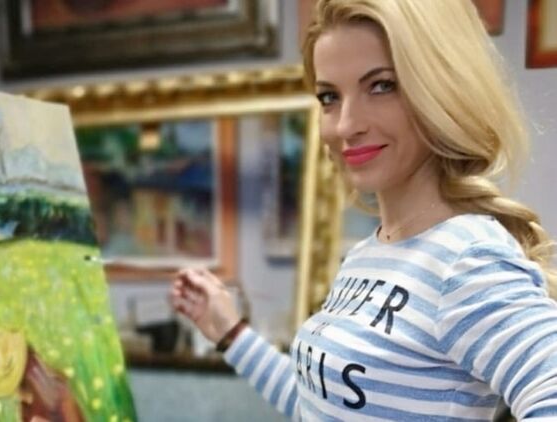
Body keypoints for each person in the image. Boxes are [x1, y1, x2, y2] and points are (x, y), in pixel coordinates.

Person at [169, 0, 557, 420]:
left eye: (382, 86)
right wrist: (229, 332)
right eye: (329, 97)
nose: (345, 125)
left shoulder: (465, 259)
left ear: (441, 88)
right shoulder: (367, 255)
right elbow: (317, 405)